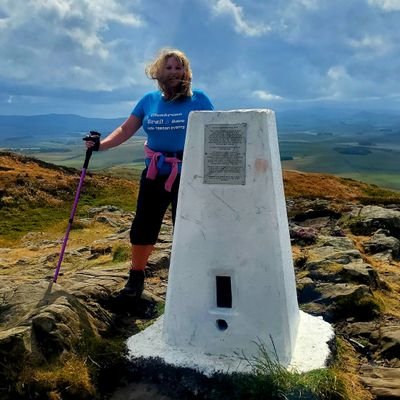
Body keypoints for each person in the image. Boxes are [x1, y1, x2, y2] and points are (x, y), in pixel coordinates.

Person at [86, 48, 214, 298]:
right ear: (158, 72)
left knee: (188, 227)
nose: (175, 72)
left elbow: (216, 130)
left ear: (186, 72)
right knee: (143, 226)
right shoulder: (148, 101)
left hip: (189, 175)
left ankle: (190, 277)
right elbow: (125, 129)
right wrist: (101, 146)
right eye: (169, 67)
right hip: (155, 174)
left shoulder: (199, 99)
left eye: (179, 68)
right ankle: (136, 277)